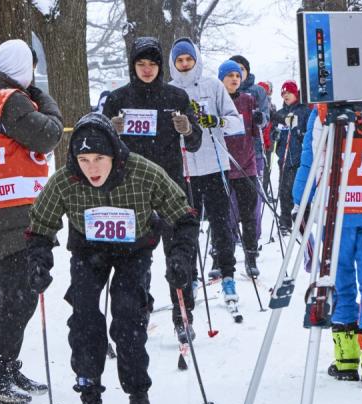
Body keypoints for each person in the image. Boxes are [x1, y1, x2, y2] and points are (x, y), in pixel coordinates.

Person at [26, 112, 198, 404]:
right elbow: (40, 226)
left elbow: (184, 216)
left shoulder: (144, 173)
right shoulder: (65, 180)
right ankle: (90, 400)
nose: (92, 168)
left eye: (100, 158)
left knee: (128, 317)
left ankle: (139, 400)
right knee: (85, 318)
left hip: (134, 252)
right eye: (84, 159)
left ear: (114, 154)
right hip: (89, 253)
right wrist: (38, 263)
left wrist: (180, 258)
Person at [0, 38, 63, 404]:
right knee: (19, 295)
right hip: (17, 208)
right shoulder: (10, 100)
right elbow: (49, 133)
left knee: (18, 293)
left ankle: (5, 365)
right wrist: (40, 95)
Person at [293, 99, 362, 391]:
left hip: (338, 210)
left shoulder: (325, 111)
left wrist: (299, 200)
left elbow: (314, 156)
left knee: (339, 283)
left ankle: (346, 360)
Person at [101, 36, 202, 342]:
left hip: (170, 187)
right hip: (130, 190)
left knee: (180, 256)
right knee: (136, 258)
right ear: (133, 66)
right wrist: (110, 129)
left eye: (153, 64)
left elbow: (195, 141)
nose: (147, 70)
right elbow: (98, 146)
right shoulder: (118, 99)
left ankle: (183, 315)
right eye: (141, 64)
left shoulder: (176, 96)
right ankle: (139, 311)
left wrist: (188, 128)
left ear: (161, 66)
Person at [168, 37, 243, 306]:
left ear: (196, 60)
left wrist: (218, 121)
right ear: (174, 63)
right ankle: (191, 278)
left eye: (189, 59)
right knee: (187, 229)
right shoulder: (169, 91)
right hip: (185, 170)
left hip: (214, 167)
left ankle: (228, 275)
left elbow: (236, 123)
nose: (185, 64)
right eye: (180, 60)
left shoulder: (213, 86)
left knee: (221, 225)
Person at [218, 59, 261, 277]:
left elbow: (254, 131)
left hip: (246, 164)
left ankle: (251, 256)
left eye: (237, 75)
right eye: (229, 76)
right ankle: (219, 256)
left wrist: (260, 120)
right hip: (222, 165)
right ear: (221, 79)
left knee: (248, 214)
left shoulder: (248, 100)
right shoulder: (216, 99)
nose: (234, 79)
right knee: (223, 215)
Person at [273, 80, 311, 235]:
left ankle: (302, 220)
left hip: (299, 158)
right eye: (283, 93)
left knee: (299, 190)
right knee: (284, 190)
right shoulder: (281, 113)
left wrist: (298, 132)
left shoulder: (304, 111)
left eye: (289, 92)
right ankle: (285, 222)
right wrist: (275, 134)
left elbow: (309, 133)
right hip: (284, 158)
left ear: (296, 93)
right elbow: (275, 131)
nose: (286, 95)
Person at [229, 55, 270, 175]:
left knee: (253, 190)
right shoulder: (222, 91)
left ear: (247, 71)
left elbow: (265, 119)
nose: (238, 73)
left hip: (253, 150)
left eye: (241, 69)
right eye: (233, 70)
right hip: (229, 151)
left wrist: (260, 118)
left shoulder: (257, 91)